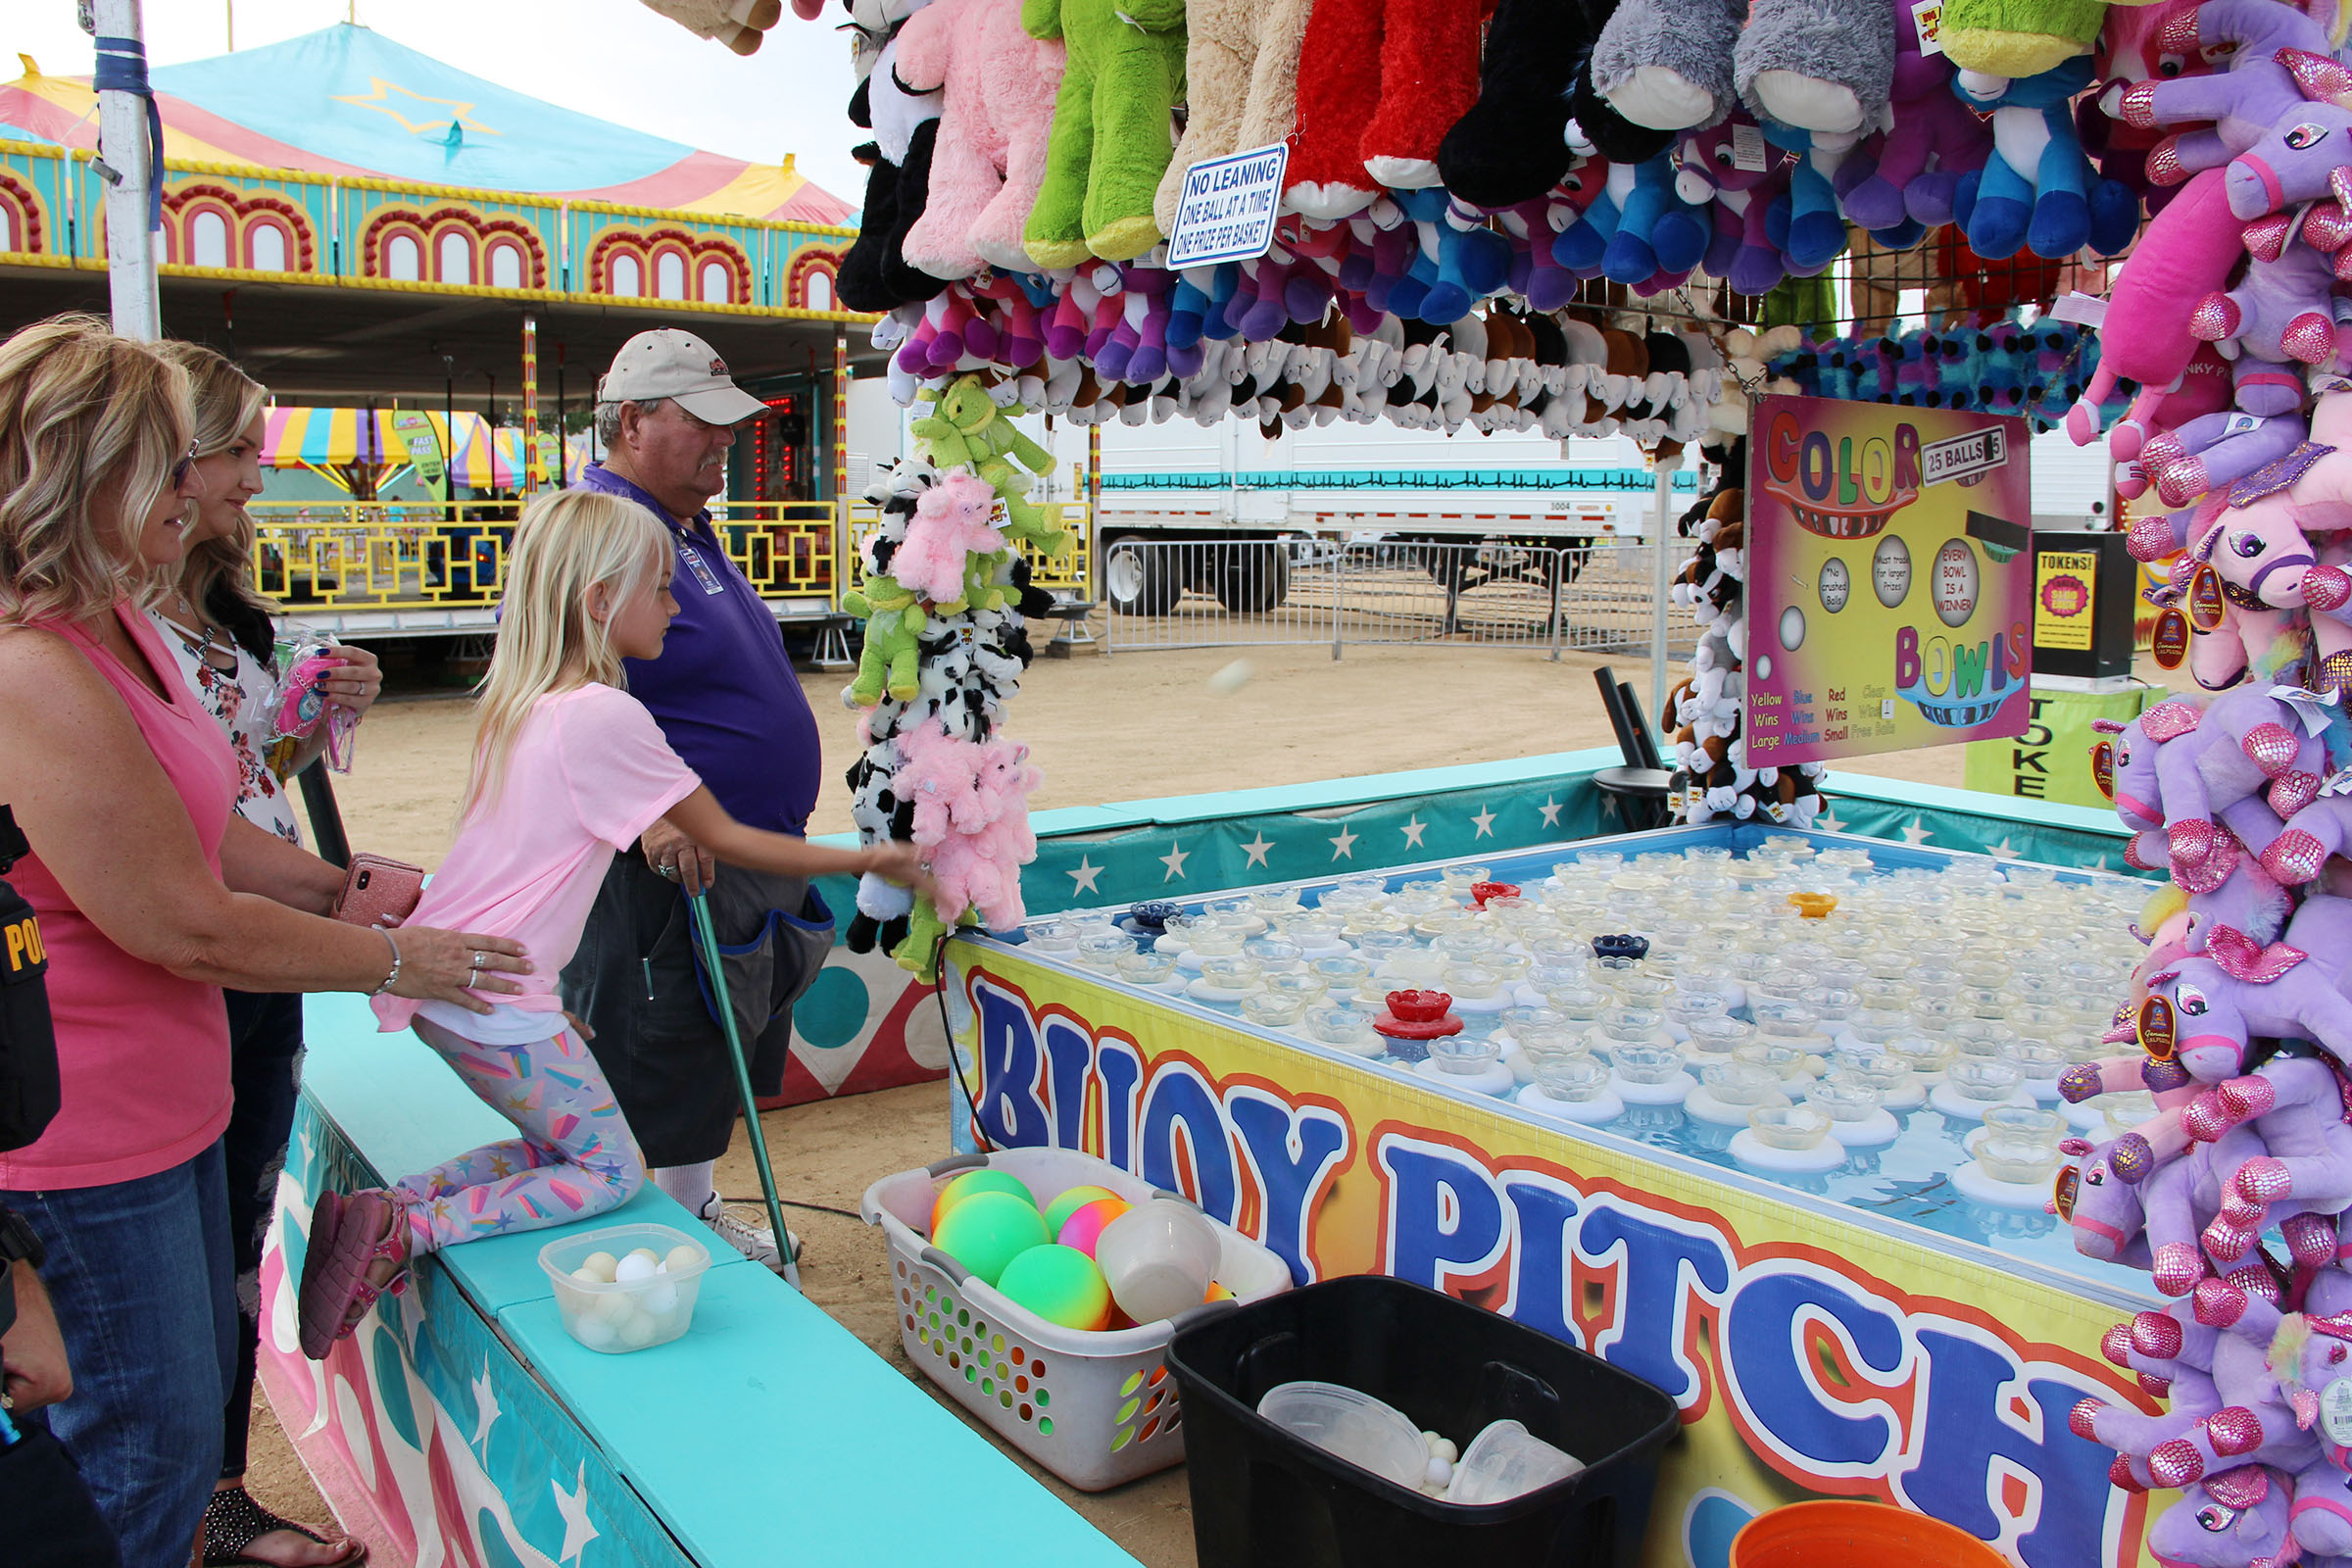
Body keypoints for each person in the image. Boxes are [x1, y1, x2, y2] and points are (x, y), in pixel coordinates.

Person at [0, 314, 531, 1568]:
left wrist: (345, 886)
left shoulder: (119, 629)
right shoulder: (32, 667)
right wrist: (401, 960)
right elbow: (175, 917)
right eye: (180, 461)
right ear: (96, 473)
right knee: (139, 1456)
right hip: (88, 1147)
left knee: (176, 1440)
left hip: (166, 1114)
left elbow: (203, 825)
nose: (212, 485)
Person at [301, 491, 926, 1350]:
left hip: (475, 988)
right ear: (601, 601)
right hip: (491, 998)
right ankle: (409, 1231)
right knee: (609, 1171)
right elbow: (730, 836)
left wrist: (537, 995)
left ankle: (395, 1203)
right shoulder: (604, 714)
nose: (675, 607)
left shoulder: (526, 702)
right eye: (660, 590)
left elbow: (504, 870)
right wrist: (869, 860)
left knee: (566, 1142)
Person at [148, 342, 376, 1568]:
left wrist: (318, 712)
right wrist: (371, 920)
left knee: (234, 1230)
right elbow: (193, 831)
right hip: (203, 949)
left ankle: (218, 1492)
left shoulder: (220, 603)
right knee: (165, 1251)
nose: (258, 470)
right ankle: (176, 1504)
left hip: (268, 949)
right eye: (239, 445)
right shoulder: (99, 624)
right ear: (167, 457)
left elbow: (254, 780)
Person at [562, 329, 829, 1269]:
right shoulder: (598, 528)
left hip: (745, 854)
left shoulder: (681, 523)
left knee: (716, 1052)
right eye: (703, 423)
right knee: (666, 1049)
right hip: (671, 865)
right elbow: (563, 694)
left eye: (731, 424)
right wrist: (652, 817)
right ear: (632, 424)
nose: (727, 443)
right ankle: (653, 1245)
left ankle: (692, 1212)